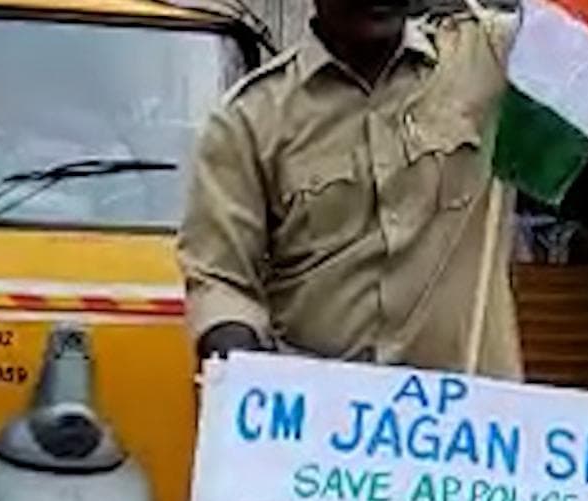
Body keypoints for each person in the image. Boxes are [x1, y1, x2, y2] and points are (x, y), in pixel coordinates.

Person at [177, 0, 522, 378]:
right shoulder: (250, 120)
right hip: (319, 417)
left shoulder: (488, 57)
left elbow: (579, 40)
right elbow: (221, 280)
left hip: (468, 419)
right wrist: (240, 366)